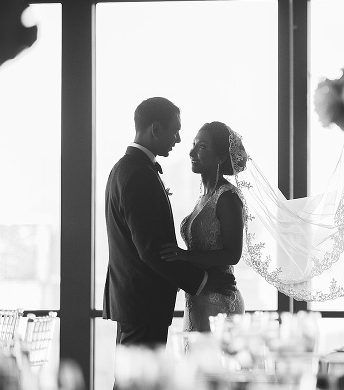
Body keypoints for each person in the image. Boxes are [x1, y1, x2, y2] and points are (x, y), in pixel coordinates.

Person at [103, 98, 236, 351]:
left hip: (136, 301)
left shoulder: (125, 168)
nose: (177, 140)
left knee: (133, 384)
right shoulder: (140, 173)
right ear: (155, 129)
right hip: (143, 302)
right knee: (138, 385)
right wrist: (203, 282)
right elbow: (152, 250)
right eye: (175, 131)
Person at [159, 121, 246, 331]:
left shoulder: (227, 197)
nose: (191, 152)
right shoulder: (203, 198)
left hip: (220, 300)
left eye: (202, 146)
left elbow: (233, 254)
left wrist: (184, 256)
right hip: (197, 297)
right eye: (194, 144)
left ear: (220, 157)